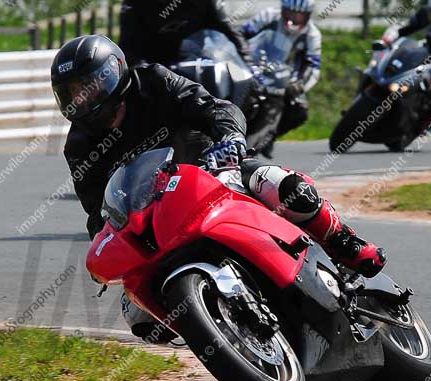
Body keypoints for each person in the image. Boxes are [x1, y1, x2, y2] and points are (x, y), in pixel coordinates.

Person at [50, 35, 386, 341]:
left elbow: (213, 107)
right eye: (73, 94)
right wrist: (106, 244)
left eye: (90, 86)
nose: (83, 99)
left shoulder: (152, 81)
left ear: (115, 72)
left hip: (214, 168)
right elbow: (98, 210)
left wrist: (230, 137)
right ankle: (218, 328)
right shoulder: (79, 146)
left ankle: (343, 241)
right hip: (157, 215)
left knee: (284, 187)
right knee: (140, 315)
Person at [242, 0, 322, 144]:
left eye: (299, 15)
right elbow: (241, 35)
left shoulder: (312, 35)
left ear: (308, 15)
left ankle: (267, 139)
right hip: (250, 66)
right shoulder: (268, 16)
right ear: (283, 10)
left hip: (283, 79)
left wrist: (300, 84)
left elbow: (313, 66)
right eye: (290, 13)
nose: (293, 19)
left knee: (300, 111)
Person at [118, 0, 252, 67]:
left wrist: (247, 61)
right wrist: (147, 71)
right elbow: (127, 50)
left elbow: (225, 26)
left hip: (204, 64)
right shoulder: (134, 6)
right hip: (162, 76)